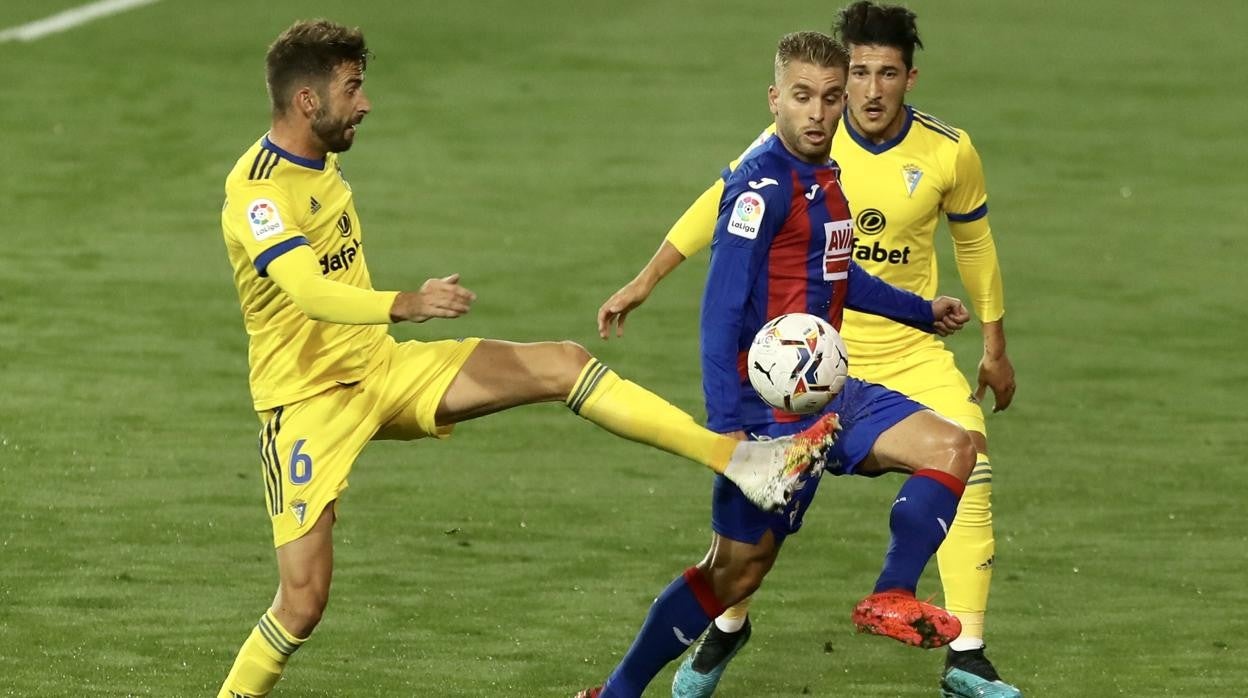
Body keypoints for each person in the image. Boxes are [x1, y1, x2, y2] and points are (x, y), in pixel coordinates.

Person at [214, 19, 839, 698]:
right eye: (352, 87)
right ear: (308, 102)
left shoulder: (321, 159)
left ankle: (741, 460)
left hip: (383, 370)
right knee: (302, 604)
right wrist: (406, 303)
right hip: (307, 406)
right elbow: (305, 289)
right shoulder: (257, 193)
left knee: (563, 364)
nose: (365, 102)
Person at [596, 4, 1020, 696]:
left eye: (830, 96)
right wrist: (729, 432)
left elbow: (837, 271)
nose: (820, 113)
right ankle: (617, 692)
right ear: (775, 100)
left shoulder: (824, 176)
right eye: (803, 97)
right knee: (731, 573)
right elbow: (719, 311)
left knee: (954, 449)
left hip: (830, 391)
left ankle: (892, 593)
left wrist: (919, 309)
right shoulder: (762, 187)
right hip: (769, 418)